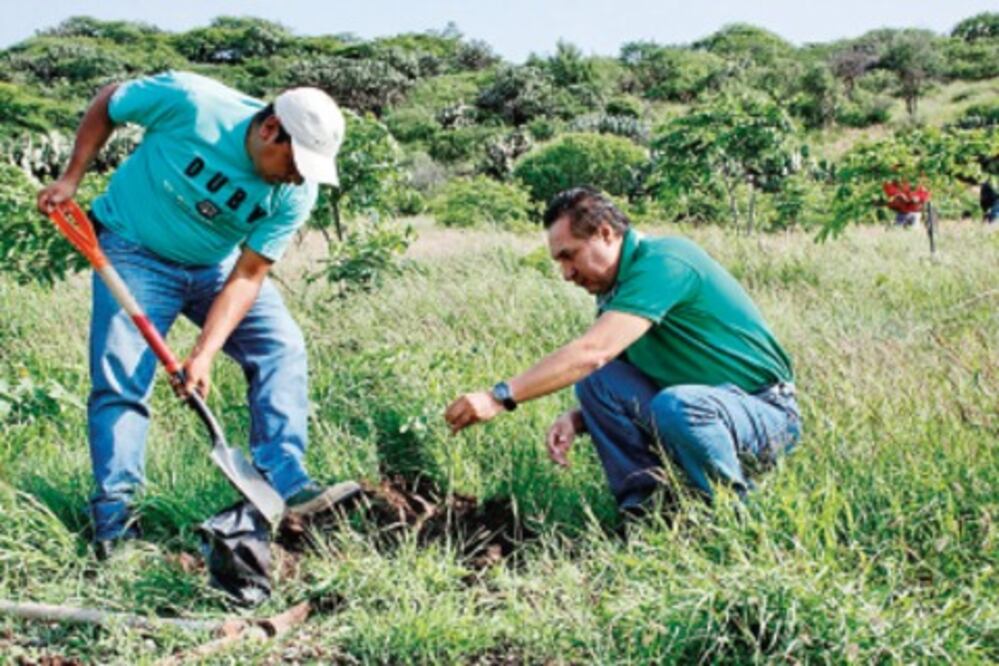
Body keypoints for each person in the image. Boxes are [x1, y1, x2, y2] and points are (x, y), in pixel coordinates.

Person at [36, 71, 360, 558]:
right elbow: (109, 101)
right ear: (270, 129)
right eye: (294, 162)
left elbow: (249, 275)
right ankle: (115, 520)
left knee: (281, 346)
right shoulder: (192, 103)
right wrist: (72, 177)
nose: (297, 176)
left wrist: (204, 353)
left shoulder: (297, 191)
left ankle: (286, 482)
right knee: (122, 378)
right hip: (134, 251)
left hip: (217, 267)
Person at [444, 187, 801, 515]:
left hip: (767, 414)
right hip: (702, 411)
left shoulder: (666, 262)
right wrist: (577, 419)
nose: (567, 274)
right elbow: (610, 372)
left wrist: (500, 396)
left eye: (570, 256)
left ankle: (734, 514)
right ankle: (649, 514)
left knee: (674, 403)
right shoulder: (616, 292)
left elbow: (593, 351)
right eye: (559, 262)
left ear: (605, 233)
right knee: (596, 383)